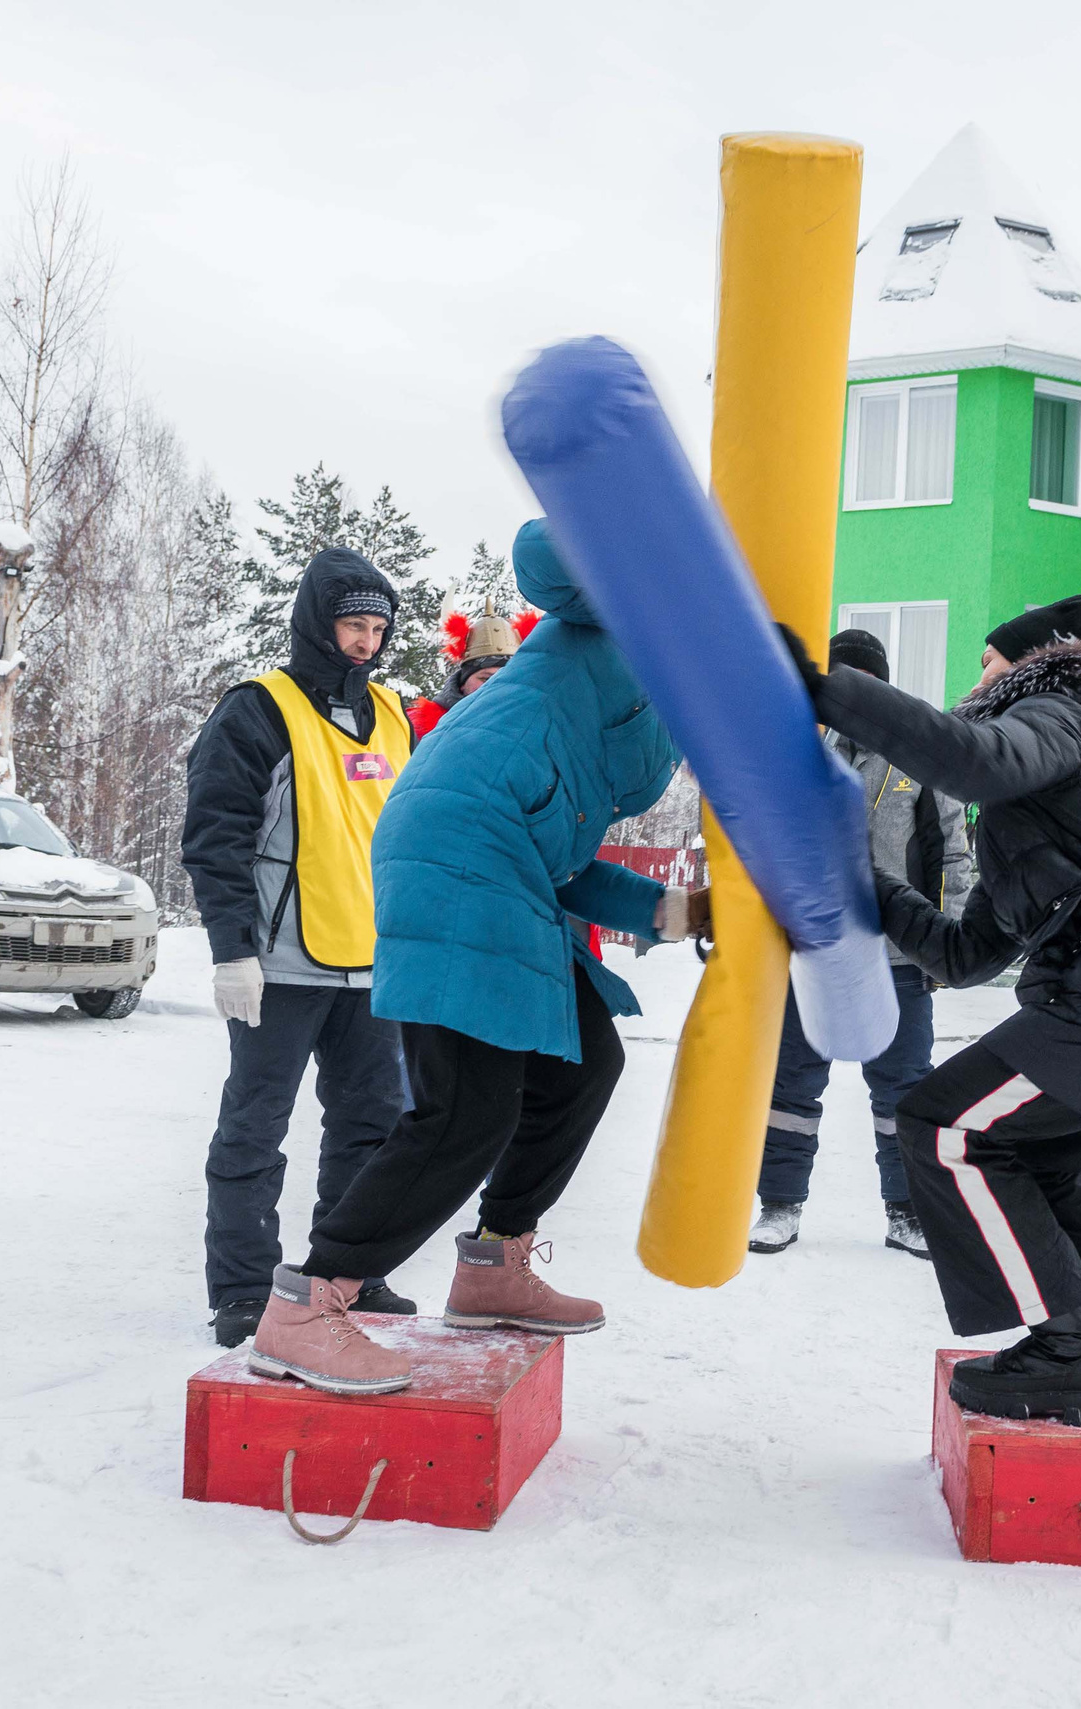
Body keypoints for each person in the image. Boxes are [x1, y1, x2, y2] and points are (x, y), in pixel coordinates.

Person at [245, 522, 701, 1394]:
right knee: (462, 1111)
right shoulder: (613, 621)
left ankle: (494, 1264)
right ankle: (308, 1301)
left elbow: (567, 869)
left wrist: (684, 911)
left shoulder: (581, 753)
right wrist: (633, 532)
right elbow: (545, 551)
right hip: (457, 854)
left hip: (501, 860)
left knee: (587, 1059)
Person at [787, 592, 1081, 1428]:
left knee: (941, 1125)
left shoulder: (1061, 712)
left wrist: (830, 688)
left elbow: (967, 758)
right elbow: (966, 954)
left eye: (986, 659)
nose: (977, 674)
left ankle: (1068, 1351)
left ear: (1038, 659)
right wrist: (869, 885)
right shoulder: (1051, 784)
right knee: (1033, 1161)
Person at [183, 547, 418, 1346]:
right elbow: (215, 837)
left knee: (373, 1128)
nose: (366, 641)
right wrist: (230, 949)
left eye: (378, 628)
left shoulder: (395, 715)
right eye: (353, 624)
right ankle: (244, 1286)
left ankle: (347, 1272)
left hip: (372, 964)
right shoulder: (258, 708)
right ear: (320, 623)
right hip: (279, 964)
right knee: (255, 1126)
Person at [748, 627, 968, 1262]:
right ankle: (780, 1205)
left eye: (867, 680)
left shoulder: (919, 755)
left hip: (898, 953)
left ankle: (907, 1212)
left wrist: (944, 941)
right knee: (791, 1083)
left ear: (884, 684)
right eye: (843, 679)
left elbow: (952, 852)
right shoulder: (798, 746)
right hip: (810, 947)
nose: (855, 692)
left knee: (904, 1089)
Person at [407, 599, 535, 740]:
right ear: (463, 683)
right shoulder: (418, 727)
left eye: (506, 679)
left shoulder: (534, 725)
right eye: (485, 678)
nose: (495, 687)